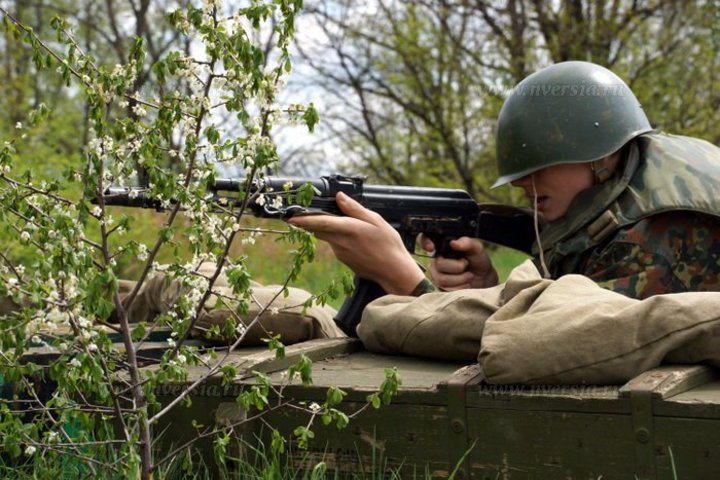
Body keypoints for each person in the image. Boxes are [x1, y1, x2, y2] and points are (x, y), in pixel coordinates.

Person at [289, 60, 720, 303]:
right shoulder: (642, 173)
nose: (522, 186)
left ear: (601, 154)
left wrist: (406, 282)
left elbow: (552, 352)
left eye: (539, 167)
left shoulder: (658, 231)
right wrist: (486, 292)